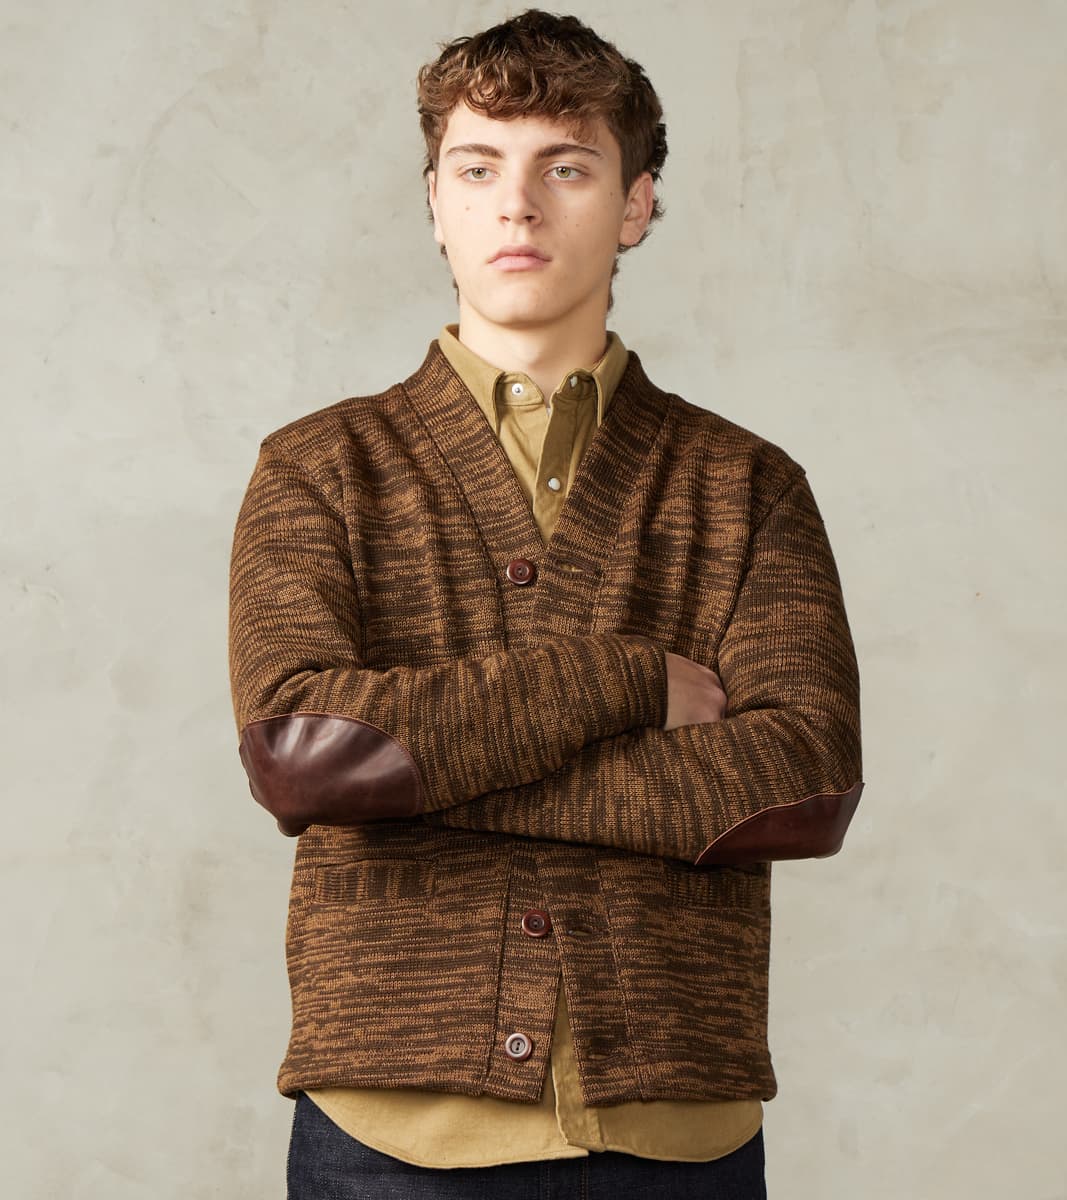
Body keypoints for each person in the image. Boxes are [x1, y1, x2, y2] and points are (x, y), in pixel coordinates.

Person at [227, 10, 863, 1198]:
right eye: (478, 169)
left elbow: (801, 780)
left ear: (633, 205)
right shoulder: (320, 468)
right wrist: (626, 680)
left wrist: (424, 779)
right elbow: (302, 755)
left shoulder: (745, 484)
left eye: (564, 168)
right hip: (395, 1133)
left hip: (676, 1127)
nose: (515, 206)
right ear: (435, 202)